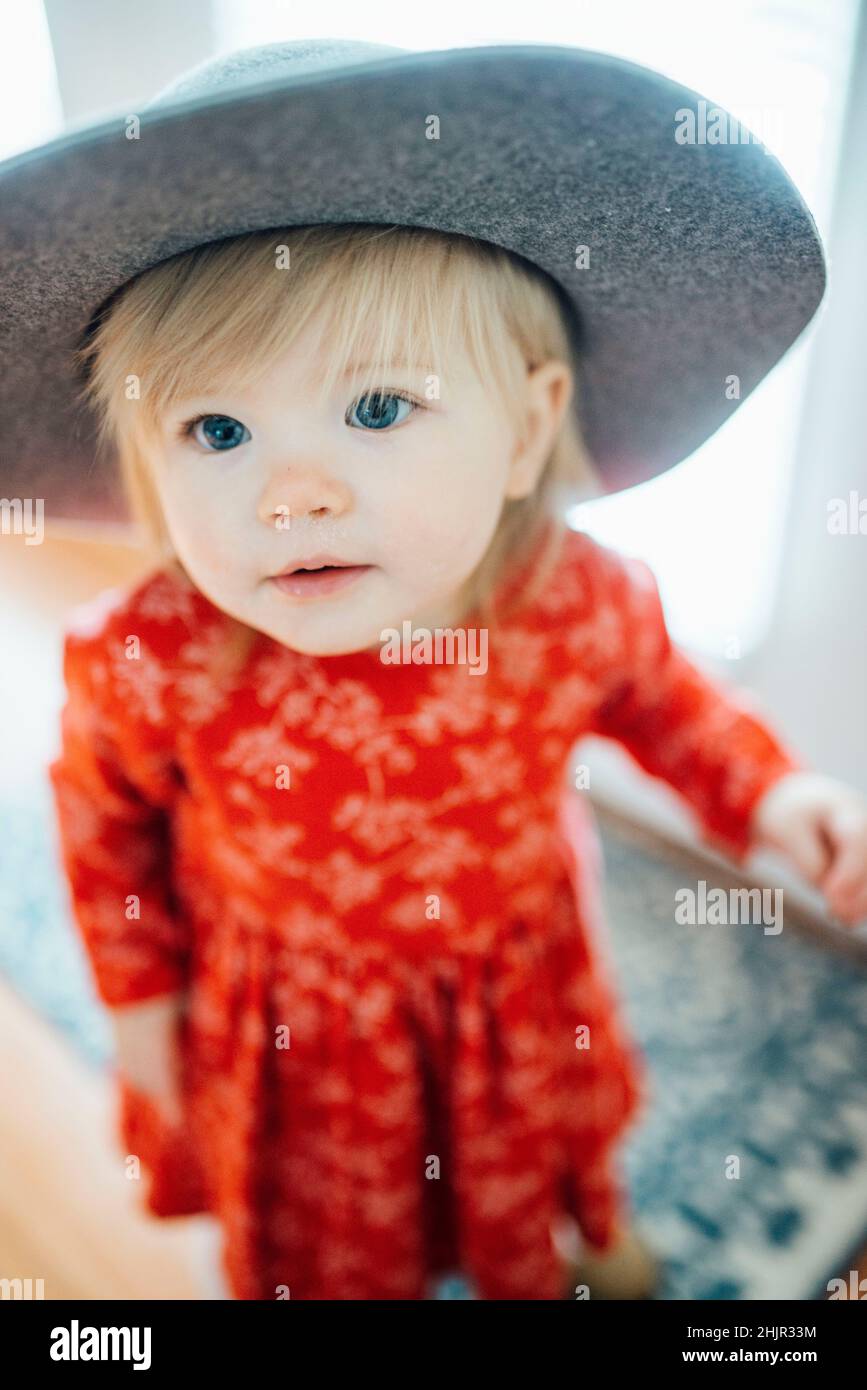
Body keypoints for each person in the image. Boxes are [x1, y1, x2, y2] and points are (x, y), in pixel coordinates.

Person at [10, 39, 862, 1300]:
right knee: (339, 1243)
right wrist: (142, 1010)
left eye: (375, 409)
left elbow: (669, 709)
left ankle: (582, 1227)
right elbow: (106, 831)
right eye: (219, 430)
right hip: (301, 1024)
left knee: (545, 1137)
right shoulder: (155, 656)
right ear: (145, 464)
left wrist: (775, 801)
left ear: (524, 429)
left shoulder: (570, 596)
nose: (294, 494)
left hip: (512, 978)